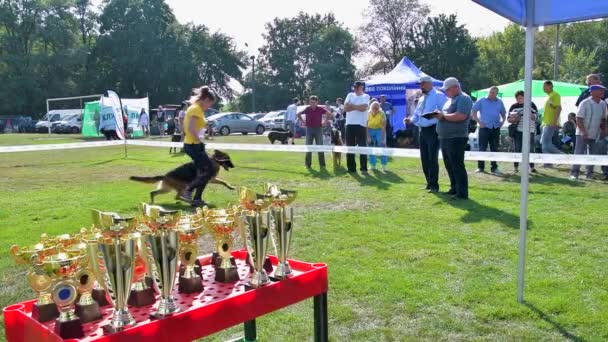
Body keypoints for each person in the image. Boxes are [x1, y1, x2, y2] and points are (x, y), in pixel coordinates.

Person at [433, 77, 472, 200]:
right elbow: (447, 114)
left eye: (448, 90)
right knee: (449, 165)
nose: (446, 92)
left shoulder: (464, 98)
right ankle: (454, 188)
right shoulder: (450, 99)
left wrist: (442, 116)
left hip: (457, 137)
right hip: (445, 137)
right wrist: (438, 114)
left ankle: (462, 193)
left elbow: (460, 116)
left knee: (457, 165)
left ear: (456, 87)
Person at [406, 76, 447, 193]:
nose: (421, 86)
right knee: (424, 158)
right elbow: (417, 114)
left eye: (422, 84)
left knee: (432, 158)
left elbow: (445, 111)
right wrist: (411, 120)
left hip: (433, 130)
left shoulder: (439, 95)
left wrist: (436, 114)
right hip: (422, 130)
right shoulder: (422, 98)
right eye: (420, 84)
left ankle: (434, 185)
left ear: (429, 84)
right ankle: (429, 183)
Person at [180, 86, 216, 206]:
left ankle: (196, 199)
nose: (209, 107)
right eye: (209, 104)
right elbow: (190, 128)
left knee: (204, 171)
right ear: (205, 99)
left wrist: (207, 129)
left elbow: (198, 126)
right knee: (209, 169)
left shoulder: (196, 109)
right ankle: (187, 191)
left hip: (193, 144)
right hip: (193, 145)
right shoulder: (196, 109)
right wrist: (199, 142)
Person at [570, 84, 608, 180]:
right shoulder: (585, 103)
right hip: (582, 133)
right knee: (579, 152)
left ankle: (589, 173)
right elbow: (578, 119)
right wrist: (583, 131)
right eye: (600, 90)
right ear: (593, 92)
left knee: (593, 153)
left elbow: (603, 119)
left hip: (595, 133)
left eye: (603, 91)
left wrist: (604, 130)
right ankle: (574, 173)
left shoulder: (603, 104)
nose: (602, 93)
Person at [471, 86, 506, 174]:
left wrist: (502, 121)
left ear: (497, 94)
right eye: (490, 92)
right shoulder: (482, 100)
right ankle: (480, 167)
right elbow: (473, 112)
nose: (491, 94)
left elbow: (503, 113)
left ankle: (494, 167)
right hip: (484, 127)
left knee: (494, 148)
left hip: (495, 128)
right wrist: (479, 122)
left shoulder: (499, 102)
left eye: (493, 92)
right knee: (482, 148)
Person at [297, 96, 333, 169]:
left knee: (320, 147)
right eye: (311, 102)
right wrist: (303, 122)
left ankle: (322, 165)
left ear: (317, 102)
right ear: (309, 102)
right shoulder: (307, 109)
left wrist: (325, 122)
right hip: (309, 129)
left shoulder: (320, 109)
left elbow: (329, 114)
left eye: (314, 102)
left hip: (318, 129)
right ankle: (307, 164)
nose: (312, 104)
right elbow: (298, 114)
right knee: (308, 147)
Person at [507, 90, 538, 173]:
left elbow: (535, 117)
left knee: (530, 149)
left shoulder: (532, 104)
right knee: (517, 148)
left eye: (521, 98)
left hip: (529, 131)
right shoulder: (513, 106)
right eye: (518, 98)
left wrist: (527, 112)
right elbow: (509, 119)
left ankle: (532, 167)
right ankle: (516, 167)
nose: (519, 99)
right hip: (518, 131)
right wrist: (514, 118)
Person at [344, 81, 371, 173]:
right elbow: (346, 108)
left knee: (362, 147)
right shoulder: (350, 95)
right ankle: (351, 168)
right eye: (354, 87)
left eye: (357, 87)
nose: (355, 89)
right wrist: (357, 107)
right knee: (349, 147)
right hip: (349, 124)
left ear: (362, 87)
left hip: (361, 125)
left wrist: (352, 106)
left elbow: (364, 108)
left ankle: (364, 168)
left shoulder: (366, 96)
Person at [541, 81, 564, 166]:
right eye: (543, 87)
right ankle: (548, 163)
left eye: (545, 86)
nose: (543, 88)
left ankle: (562, 157)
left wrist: (554, 122)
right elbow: (553, 107)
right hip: (546, 123)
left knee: (546, 144)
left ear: (550, 86)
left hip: (550, 123)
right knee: (545, 144)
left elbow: (559, 108)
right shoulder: (549, 96)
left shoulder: (555, 95)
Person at [367, 101, 388, 171]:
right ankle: (373, 165)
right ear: (371, 108)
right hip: (370, 130)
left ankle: (384, 165)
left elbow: (383, 126)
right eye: (373, 108)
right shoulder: (367, 114)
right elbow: (366, 126)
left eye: (377, 108)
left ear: (379, 108)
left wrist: (382, 138)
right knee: (370, 148)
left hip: (379, 130)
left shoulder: (382, 114)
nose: (375, 110)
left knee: (382, 146)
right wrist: (368, 137)